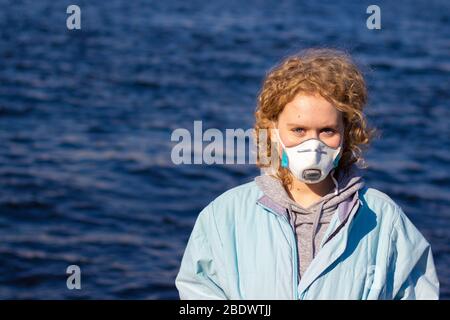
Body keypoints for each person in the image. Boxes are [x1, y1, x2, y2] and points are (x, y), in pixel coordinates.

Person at [175, 49, 440, 299]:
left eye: (327, 131)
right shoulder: (224, 216)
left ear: (347, 133)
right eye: (299, 130)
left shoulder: (384, 219)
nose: (313, 145)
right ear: (274, 130)